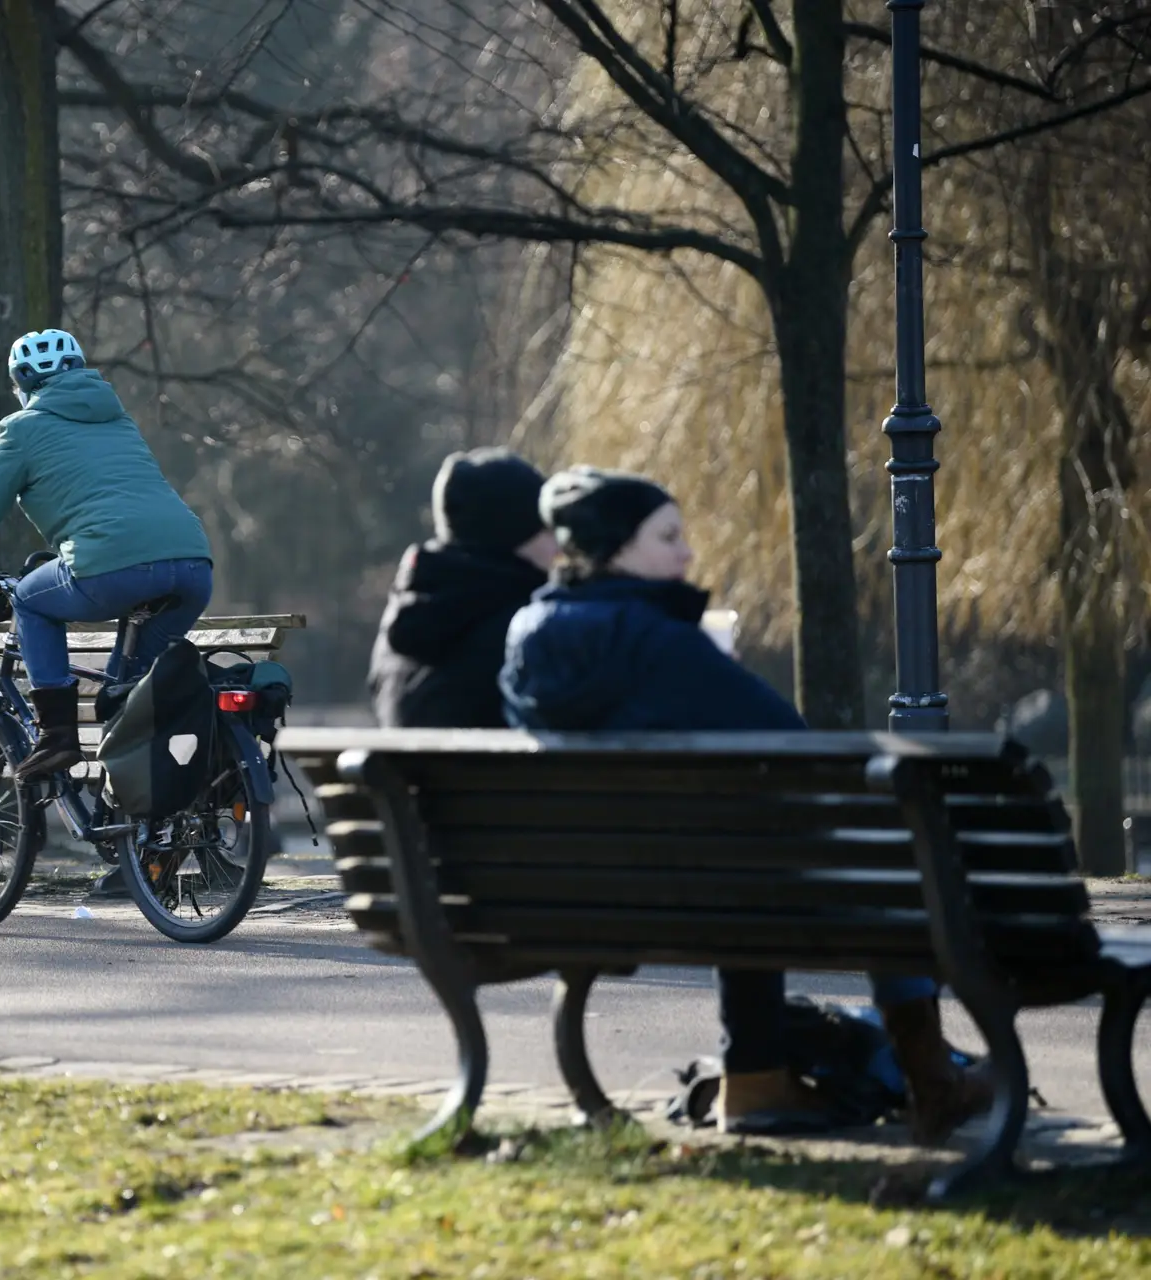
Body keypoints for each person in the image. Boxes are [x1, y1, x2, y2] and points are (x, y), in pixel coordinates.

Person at [500, 465, 992, 1141]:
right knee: (888, 867)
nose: (687, 552)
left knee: (745, 859)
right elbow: (795, 745)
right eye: (668, 536)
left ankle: (759, 1081)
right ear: (615, 548)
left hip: (587, 895)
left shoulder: (527, 634)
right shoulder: (659, 640)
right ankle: (931, 1080)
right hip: (717, 892)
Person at [0, 329, 213, 782]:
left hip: (112, 566)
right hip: (194, 564)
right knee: (126, 700)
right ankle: (147, 831)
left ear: (21, 382)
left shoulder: (23, 428)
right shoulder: (117, 420)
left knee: (29, 598)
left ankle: (57, 735)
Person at [368, 449, 555, 727]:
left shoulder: (408, 610)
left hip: (405, 771)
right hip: (504, 771)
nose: (560, 542)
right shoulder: (529, 623)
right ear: (514, 534)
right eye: (547, 528)